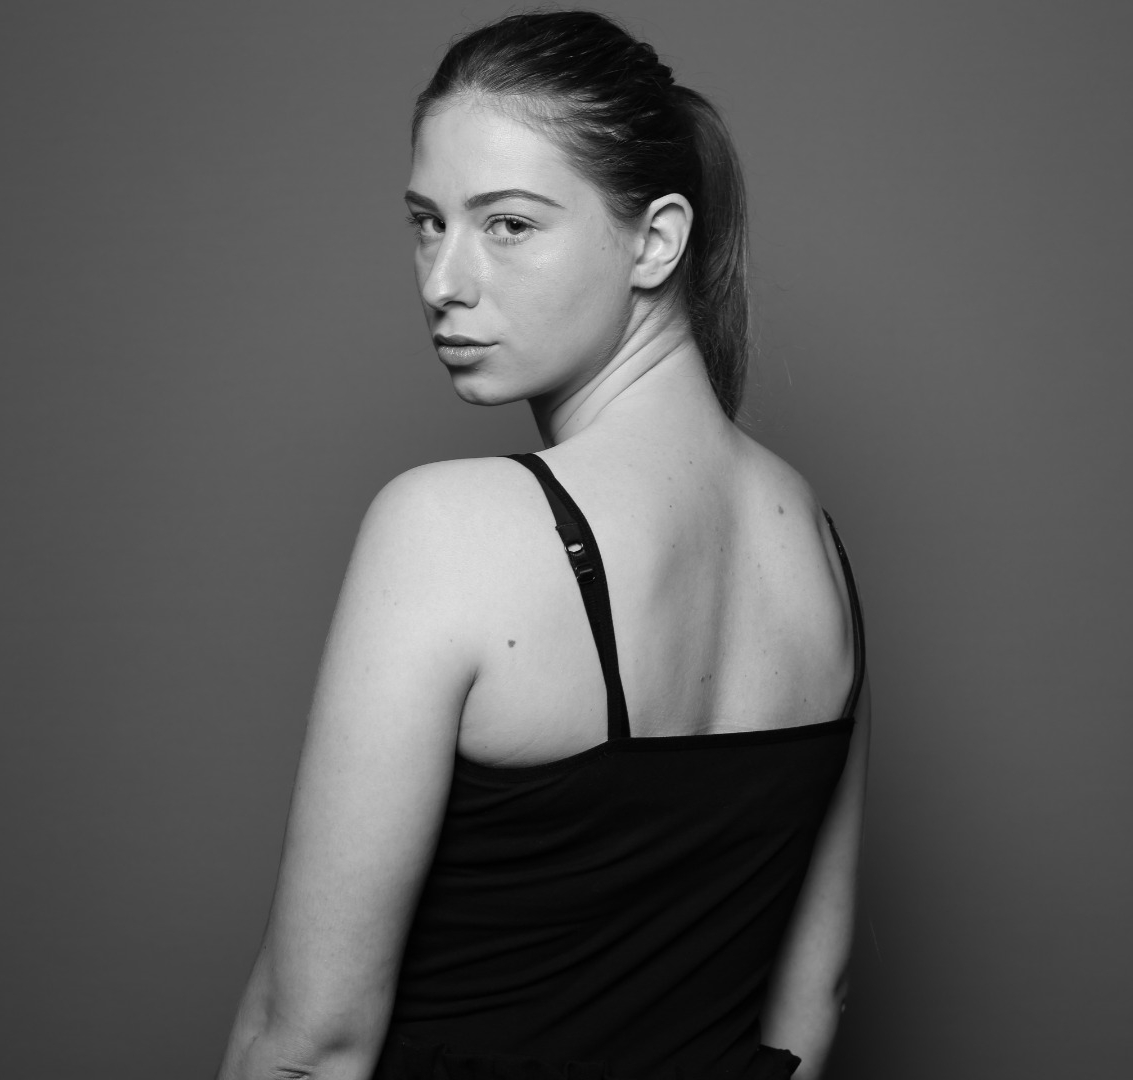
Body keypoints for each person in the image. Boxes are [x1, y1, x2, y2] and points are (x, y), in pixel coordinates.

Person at [218, 11, 869, 1080]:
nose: (444, 280)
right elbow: (814, 997)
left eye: (509, 225)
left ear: (656, 240)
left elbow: (311, 1043)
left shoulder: (446, 530)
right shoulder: (818, 548)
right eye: (427, 223)